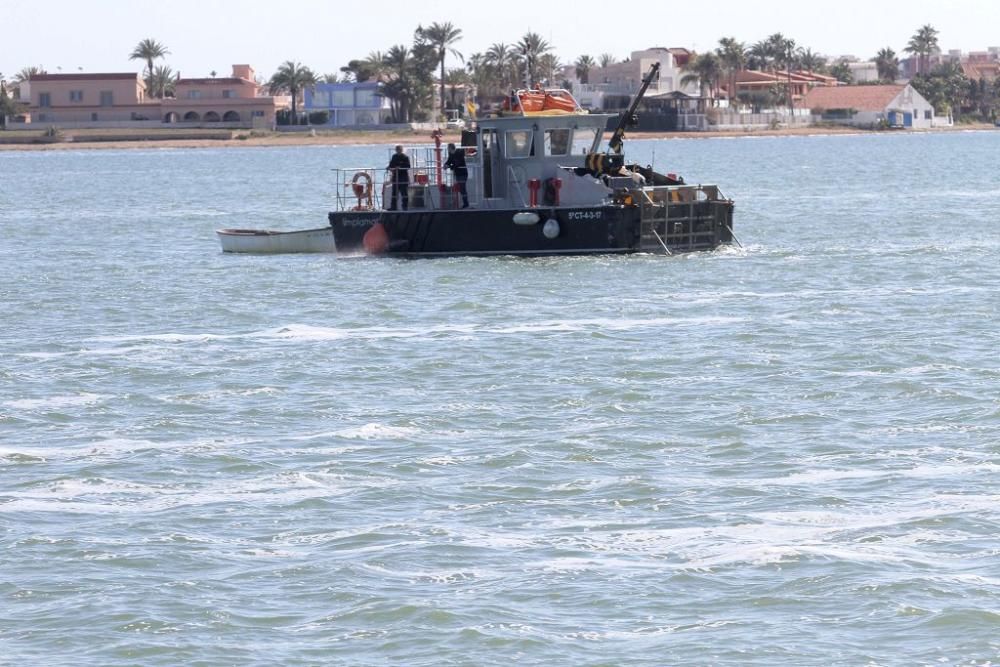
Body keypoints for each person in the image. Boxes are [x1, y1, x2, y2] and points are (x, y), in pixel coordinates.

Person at [443, 143, 469, 209]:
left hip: (463, 173)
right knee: (461, 188)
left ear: (451, 148)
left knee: (463, 188)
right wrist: (445, 165)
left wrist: (449, 166)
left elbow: (457, 164)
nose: (447, 149)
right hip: (457, 174)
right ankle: (465, 203)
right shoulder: (451, 155)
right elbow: (449, 161)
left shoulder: (459, 152)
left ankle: (466, 204)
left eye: (448, 148)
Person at [386, 145, 410, 210]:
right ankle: (393, 207)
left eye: (399, 149)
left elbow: (408, 166)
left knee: (404, 193)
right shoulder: (394, 156)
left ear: (401, 150)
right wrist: (389, 167)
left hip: (403, 177)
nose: (398, 151)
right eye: (397, 150)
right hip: (395, 177)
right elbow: (391, 164)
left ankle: (405, 207)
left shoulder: (405, 157)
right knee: (394, 193)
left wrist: (400, 167)